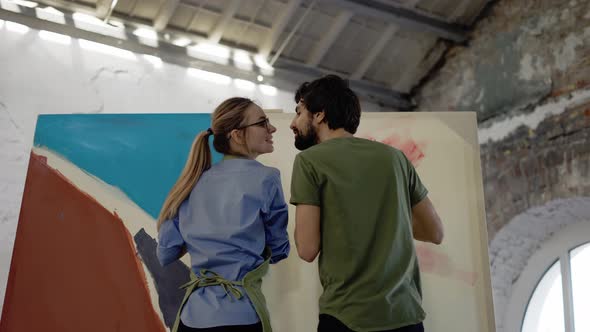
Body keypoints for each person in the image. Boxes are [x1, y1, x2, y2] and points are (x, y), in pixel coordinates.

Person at [289, 75, 444, 332]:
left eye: (298, 112)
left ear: (319, 115)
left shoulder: (309, 161)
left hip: (346, 317)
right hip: (405, 316)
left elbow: (307, 249)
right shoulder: (395, 158)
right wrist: (386, 218)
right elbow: (435, 232)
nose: (293, 123)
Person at [157, 97, 290, 332]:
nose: (272, 128)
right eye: (262, 122)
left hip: (192, 319)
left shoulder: (191, 182)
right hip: (242, 316)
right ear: (237, 135)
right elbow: (279, 250)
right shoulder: (267, 179)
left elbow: (165, 254)